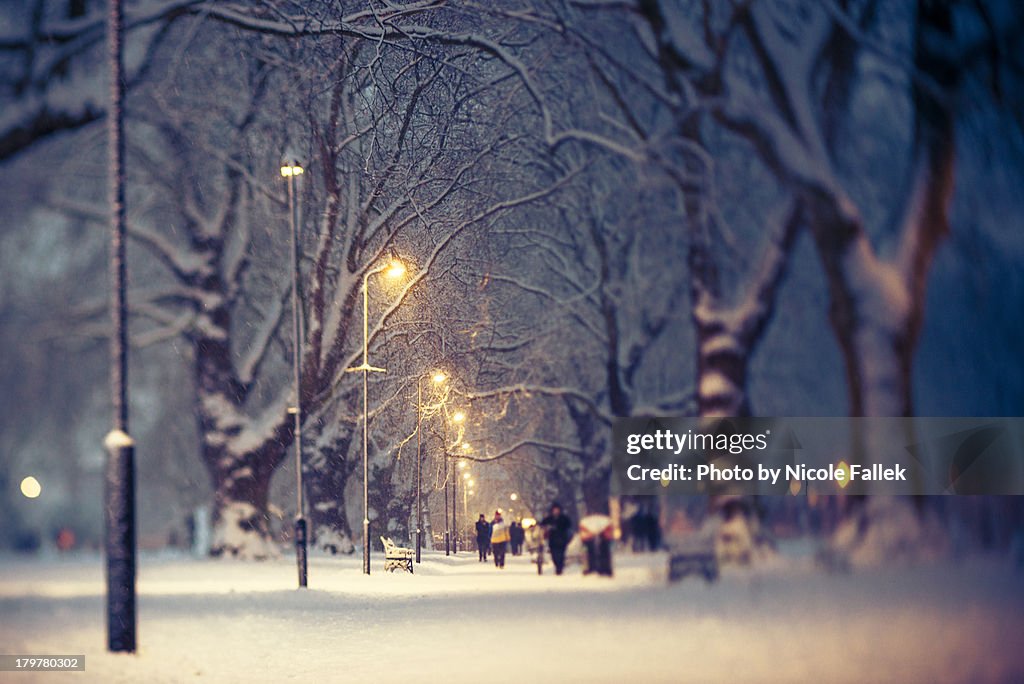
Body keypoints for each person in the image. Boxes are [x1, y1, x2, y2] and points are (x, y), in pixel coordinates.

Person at [540, 502, 573, 575]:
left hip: (562, 539)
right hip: (553, 540)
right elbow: (542, 524)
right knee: (554, 555)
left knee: (561, 555)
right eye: (554, 510)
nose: (556, 511)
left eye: (557, 510)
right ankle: (557, 566)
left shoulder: (564, 518)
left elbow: (568, 526)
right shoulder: (549, 518)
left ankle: (560, 568)